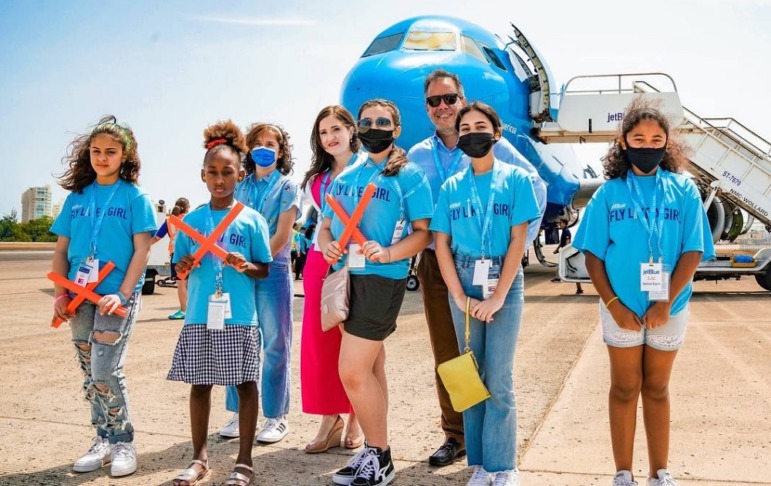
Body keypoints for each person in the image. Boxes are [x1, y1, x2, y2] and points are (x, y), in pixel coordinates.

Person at [406, 68, 547, 467]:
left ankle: (493, 452)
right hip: (440, 262)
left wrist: (514, 245)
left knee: (495, 365)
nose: (443, 107)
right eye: (434, 101)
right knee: (450, 354)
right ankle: (456, 435)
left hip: (493, 262)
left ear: (462, 99)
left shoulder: (495, 147)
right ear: (428, 107)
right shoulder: (417, 155)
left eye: (449, 98)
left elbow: (536, 187)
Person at [572, 100, 715, 486]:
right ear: (623, 142)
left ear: (667, 144)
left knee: (657, 387)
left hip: (670, 306)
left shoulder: (683, 190)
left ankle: (659, 472)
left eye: (656, 139)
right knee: (624, 386)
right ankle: (623, 473)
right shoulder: (608, 195)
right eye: (638, 138)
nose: (647, 145)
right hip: (621, 308)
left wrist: (666, 299)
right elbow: (592, 256)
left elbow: (694, 250)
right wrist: (614, 304)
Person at [319, 99, 433, 486]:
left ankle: (380, 457)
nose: (373, 127)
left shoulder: (410, 176)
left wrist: (388, 253)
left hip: (383, 279)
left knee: (351, 371)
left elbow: (424, 233)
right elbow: (325, 226)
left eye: (382, 122)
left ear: (396, 129)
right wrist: (327, 245)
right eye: (366, 121)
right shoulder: (346, 176)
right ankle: (373, 450)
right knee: (370, 368)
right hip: (347, 277)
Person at [431, 102, 541, 486]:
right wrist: (459, 296)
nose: (472, 133)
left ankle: (503, 464)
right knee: (470, 376)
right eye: (465, 128)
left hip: (503, 282)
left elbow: (517, 241)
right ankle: (479, 462)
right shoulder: (451, 187)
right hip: (462, 281)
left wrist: (497, 297)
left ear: (496, 133)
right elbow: (441, 244)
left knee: (500, 378)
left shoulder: (516, 180)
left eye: (480, 126)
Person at [50, 115, 157, 478]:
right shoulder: (77, 197)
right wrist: (60, 293)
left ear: (125, 155)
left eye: (110, 152)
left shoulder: (135, 197)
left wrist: (124, 295)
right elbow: (62, 250)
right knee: (87, 370)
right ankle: (103, 438)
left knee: (104, 368)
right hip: (79, 296)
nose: (102, 157)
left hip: (114, 296)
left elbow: (142, 251)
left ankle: (123, 440)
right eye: (96, 151)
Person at [167, 120, 272, 486]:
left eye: (227, 172)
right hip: (199, 316)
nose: (220, 179)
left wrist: (246, 265)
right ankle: (199, 458)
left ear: (240, 175)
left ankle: (243, 460)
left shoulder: (252, 220)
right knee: (199, 385)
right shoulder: (191, 221)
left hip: (240, 317)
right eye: (212, 172)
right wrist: (180, 265)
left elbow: (265, 269)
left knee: (245, 385)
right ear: (202, 175)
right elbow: (178, 267)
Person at [218, 122, 302, 443]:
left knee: (275, 343)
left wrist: (256, 260)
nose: (265, 147)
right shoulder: (237, 185)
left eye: (272, 143)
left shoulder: (288, 187)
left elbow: (283, 233)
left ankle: (276, 416)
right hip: (237, 272)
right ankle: (239, 411)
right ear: (248, 149)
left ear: (280, 153)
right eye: (259, 142)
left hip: (271, 270)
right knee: (237, 340)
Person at [299, 105, 364, 454]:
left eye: (337, 128)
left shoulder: (370, 167)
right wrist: (326, 251)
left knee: (355, 341)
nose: (331, 137)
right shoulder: (315, 180)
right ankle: (329, 416)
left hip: (360, 261)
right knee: (319, 341)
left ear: (352, 131)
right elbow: (322, 224)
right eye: (324, 132)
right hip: (320, 260)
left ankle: (355, 415)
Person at [152, 197, 191, 319]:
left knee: (181, 284)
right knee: (192, 284)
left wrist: (140, 246)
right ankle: (193, 310)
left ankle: (184, 310)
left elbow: (156, 238)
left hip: (176, 255)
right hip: (192, 255)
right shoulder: (190, 219)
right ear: (187, 208)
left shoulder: (169, 221)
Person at [552, 219, 584, 294]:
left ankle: (578, 288)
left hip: (566, 253)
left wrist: (565, 252)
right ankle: (578, 289)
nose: (560, 224)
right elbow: (561, 242)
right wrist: (557, 249)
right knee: (572, 269)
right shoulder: (564, 231)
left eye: (561, 223)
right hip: (564, 252)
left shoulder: (566, 231)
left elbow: (567, 242)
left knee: (574, 270)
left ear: (565, 224)